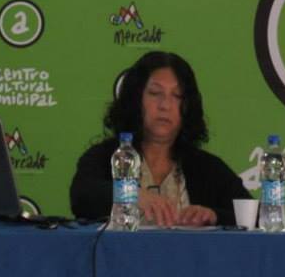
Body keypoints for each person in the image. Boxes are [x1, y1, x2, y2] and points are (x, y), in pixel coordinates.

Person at [70, 51, 250, 226]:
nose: (165, 105)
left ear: (187, 107)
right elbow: (81, 196)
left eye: (177, 96)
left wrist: (214, 215)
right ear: (136, 99)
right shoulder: (107, 156)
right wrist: (132, 194)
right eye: (155, 93)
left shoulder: (207, 168)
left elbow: (252, 214)